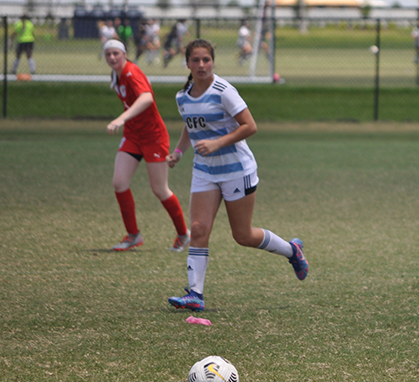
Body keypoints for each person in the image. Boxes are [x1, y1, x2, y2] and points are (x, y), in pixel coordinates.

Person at [165, 39, 309, 312]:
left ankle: (293, 251)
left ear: (213, 61)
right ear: (187, 64)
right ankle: (195, 294)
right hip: (205, 170)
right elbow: (190, 126)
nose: (201, 65)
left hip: (237, 169)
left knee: (242, 235)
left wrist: (218, 143)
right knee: (198, 229)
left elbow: (250, 126)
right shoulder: (182, 96)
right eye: (195, 60)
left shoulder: (224, 91)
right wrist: (178, 153)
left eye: (206, 59)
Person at [102, 39, 190, 252]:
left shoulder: (132, 72)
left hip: (153, 136)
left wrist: (121, 119)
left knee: (159, 189)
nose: (112, 58)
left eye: (116, 53)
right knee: (119, 183)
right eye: (108, 54)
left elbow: (147, 98)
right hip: (133, 135)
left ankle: (183, 234)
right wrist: (127, 123)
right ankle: (133, 235)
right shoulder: (116, 75)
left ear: (124, 54)